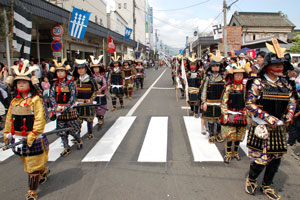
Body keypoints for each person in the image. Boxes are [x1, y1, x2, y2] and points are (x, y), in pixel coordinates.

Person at [245, 39, 296, 200]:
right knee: (260, 159)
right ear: (267, 66)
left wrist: (289, 114)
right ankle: (252, 178)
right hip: (262, 127)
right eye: (276, 65)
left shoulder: (286, 84)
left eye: (282, 65)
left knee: (275, 159)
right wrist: (268, 118)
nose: (280, 68)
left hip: (280, 127)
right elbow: (250, 103)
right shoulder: (257, 83)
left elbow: (292, 100)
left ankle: (267, 184)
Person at [4, 60, 49, 200]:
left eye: (24, 82)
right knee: (26, 161)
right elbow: (9, 118)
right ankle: (43, 171)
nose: (21, 84)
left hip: (32, 137)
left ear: (30, 84)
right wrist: (7, 133)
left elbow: (40, 119)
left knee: (32, 167)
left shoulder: (36, 100)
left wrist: (34, 133)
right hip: (18, 137)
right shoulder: (14, 101)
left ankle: (32, 191)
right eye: (18, 82)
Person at [49, 59, 82, 157]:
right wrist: (55, 107)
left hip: (70, 109)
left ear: (65, 72)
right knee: (61, 130)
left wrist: (67, 106)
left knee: (73, 128)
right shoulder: (54, 84)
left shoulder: (70, 83)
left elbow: (73, 96)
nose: (60, 73)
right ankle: (66, 146)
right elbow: (51, 96)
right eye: (58, 71)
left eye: (62, 71)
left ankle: (78, 139)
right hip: (59, 109)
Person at [220, 63, 248, 163]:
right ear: (233, 76)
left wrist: (246, 111)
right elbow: (224, 101)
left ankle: (236, 152)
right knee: (230, 135)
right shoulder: (229, 87)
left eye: (241, 74)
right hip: (230, 113)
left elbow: (248, 101)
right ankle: (228, 153)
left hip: (241, 114)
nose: (239, 76)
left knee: (238, 136)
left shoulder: (245, 88)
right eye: (237, 75)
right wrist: (225, 114)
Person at [201, 51, 225, 143]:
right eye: (214, 66)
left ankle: (218, 133)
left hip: (220, 101)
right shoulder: (208, 78)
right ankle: (211, 134)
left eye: (217, 66)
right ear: (211, 67)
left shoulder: (223, 78)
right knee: (210, 119)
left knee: (219, 119)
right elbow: (204, 90)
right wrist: (204, 102)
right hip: (210, 101)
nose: (216, 67)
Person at [73, 59, 98, 139]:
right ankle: (77, 135)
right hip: (78, 103)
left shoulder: (91, 80)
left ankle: (90, 133)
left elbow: (95, 91)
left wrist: (91, 98)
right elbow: (73, 92)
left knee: (89, 119)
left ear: (86, 69)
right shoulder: (76, 81)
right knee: (78, 120)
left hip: (88, 102)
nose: (80, 70)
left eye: (82, 68)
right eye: (79, 69)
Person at [90, 55, 108, 129]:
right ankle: (97, 118)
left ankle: (101, 118)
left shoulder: (102, 77)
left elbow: (105, 84)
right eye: (94, 68)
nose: (95, 69)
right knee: (95, 107)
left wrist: (100, 89)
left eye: (97, 67)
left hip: (100, 94)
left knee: (101, 107)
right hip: (93, 95)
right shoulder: (91, 77)